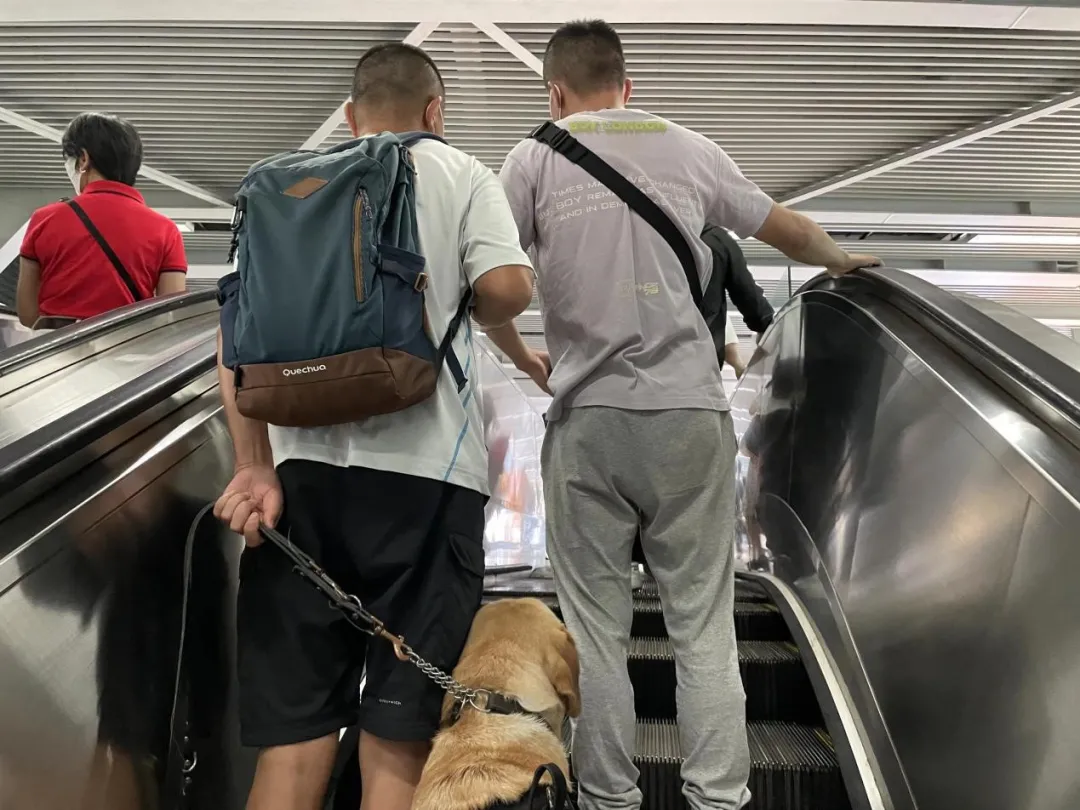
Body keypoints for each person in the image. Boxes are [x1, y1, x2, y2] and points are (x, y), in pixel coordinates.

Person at [490, 20, 880, 810]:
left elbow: (491, 282)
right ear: (627, 86)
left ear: (554, 92)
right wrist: (842, 259)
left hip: (588, 419)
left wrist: (524, 358)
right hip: (689, 419)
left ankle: (608, 798)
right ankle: (719, 798)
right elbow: (787, 229)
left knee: (596, 634)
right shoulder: (688, 147)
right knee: (702, 628)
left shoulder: (531, 158)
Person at [212, 43, 534, 810]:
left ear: (351, 117)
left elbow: (233, 338)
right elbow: (506, 287)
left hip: (297, 490)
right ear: (436, 111)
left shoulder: (287, 187)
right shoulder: (461, 173)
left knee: (293, 749)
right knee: (397, 744)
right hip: (426, 487)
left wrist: (254, 464)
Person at [16, 112, 187, 328]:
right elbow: (171, 314)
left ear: (83, 159)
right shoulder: (166, 231)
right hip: (129, 344)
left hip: (58, 345)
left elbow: (27, 313)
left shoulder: (45, 219)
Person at [699, 223, 774, 376]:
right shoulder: (714, 239)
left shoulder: (649, 236)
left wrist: (738, 364)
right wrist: (765, 324)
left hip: (650, 366)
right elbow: (746, 292)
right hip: (700, 363)